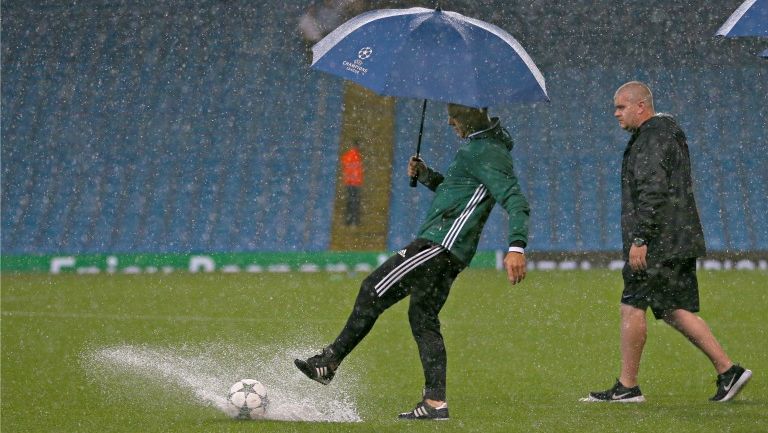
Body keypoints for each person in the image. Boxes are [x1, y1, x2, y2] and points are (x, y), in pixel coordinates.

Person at [295, 103, 530, 420]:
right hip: (449, 250)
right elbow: (459, 192)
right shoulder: (483, 148)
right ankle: (435, 403)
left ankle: (330, 360)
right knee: (422, 319)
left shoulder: (486, 150)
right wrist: (427, 176)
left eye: (454, 116)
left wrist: (516, 246)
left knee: (372, 289)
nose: (449, 121)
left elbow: (515, 199)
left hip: (439, 245)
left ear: (473, 115)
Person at [581, 81, 751, 403]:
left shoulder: (651, 138)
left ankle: (628, 387)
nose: (615, 113)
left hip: (659, 242)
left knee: (631, 306)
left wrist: (641, 237)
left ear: (641, 106)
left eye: (621, 107)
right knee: (673, 309)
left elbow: (653, 191)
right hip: (678, 238)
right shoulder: (666, 133)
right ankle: (728, 371)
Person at [340, 141, 364, 226]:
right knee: (354, 202)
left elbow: (345, 166)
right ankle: (354, 220)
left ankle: (350, 220)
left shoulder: (349, 156)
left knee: (350, 202)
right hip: (354, 183)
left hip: (351, 182)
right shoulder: (357, 156)